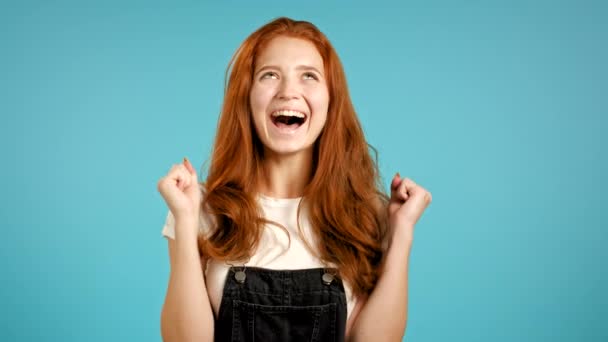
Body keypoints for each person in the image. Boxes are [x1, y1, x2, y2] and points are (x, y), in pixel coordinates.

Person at [157, 17, 432, 342]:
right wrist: (185, 222)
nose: (288, 92)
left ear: (331, 101)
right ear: (246, 97)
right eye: (269, 75)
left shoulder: (368, 215)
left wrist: (401, 236)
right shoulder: (200, 209)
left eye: (309, 76)